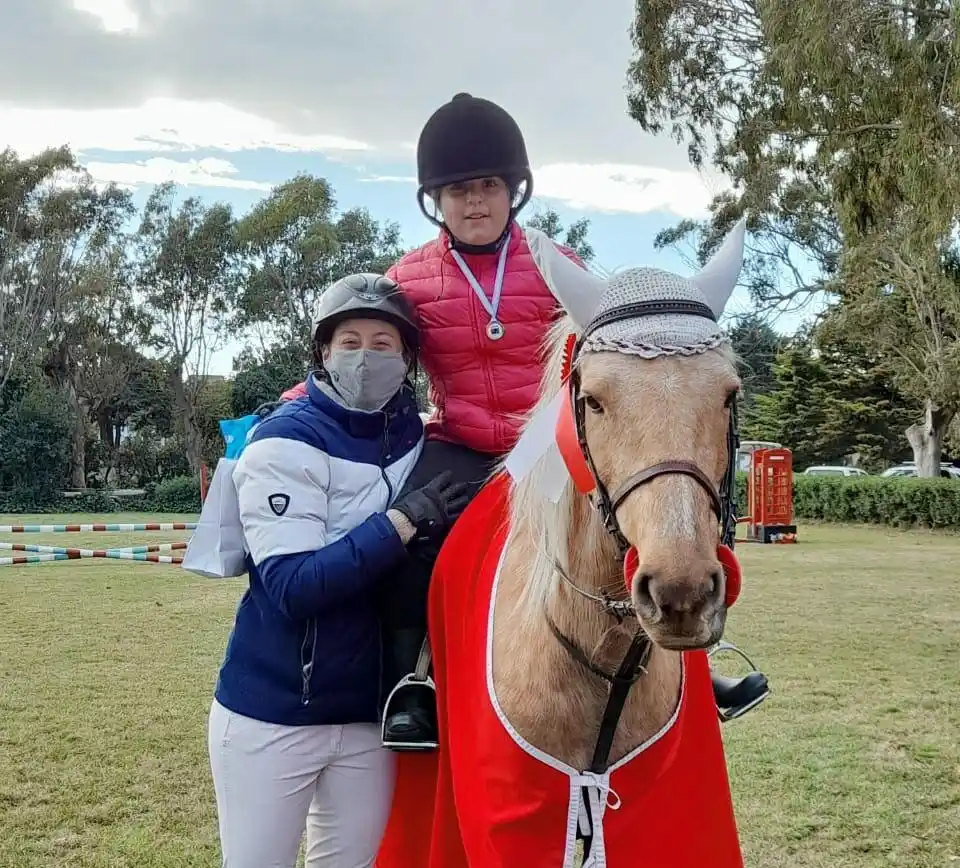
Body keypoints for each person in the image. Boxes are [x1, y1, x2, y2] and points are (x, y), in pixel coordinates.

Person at [279, 93, 770, 752]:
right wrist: (292, 399)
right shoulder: (410, 278)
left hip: (543, 445)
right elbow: (374, 342)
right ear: (435, 201)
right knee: (409, 545)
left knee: (638, 529)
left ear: (514, 191)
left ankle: (693, 669)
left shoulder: (558, 266)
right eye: (457, 190)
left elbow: (610, 353)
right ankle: (410, 688)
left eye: (488, 185)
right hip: (458, 442)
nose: (475, 201)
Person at [206, 273, 471, 868]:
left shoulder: (414, 435)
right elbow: (294, 586)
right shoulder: (281, 441)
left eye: (384, 344)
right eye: (349, 341)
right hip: (273, 713)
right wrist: (400, 523)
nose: (365, 357)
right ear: (323, 351)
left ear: (408, 359)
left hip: (367, 719)